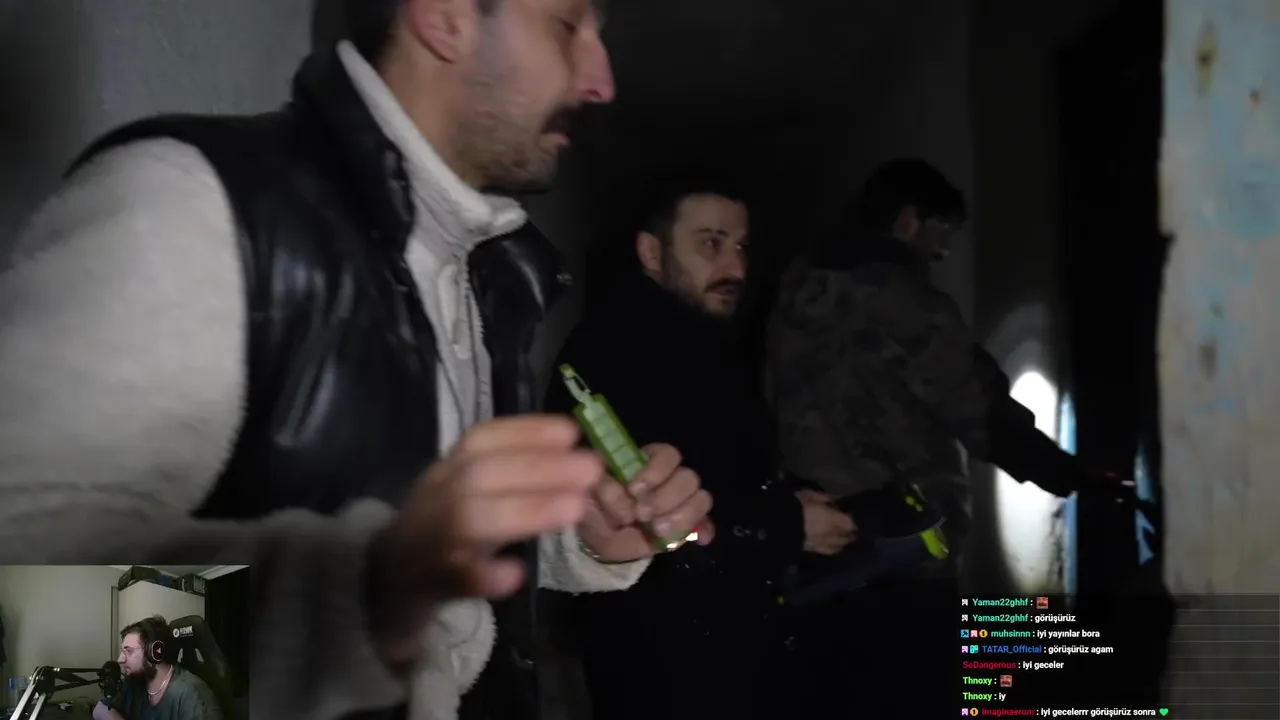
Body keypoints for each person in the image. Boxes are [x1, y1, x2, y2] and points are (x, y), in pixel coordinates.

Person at [0, 1, 715, 720]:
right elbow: (29, 647)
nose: (600, 81)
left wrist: (571, 541)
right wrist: (354, 608)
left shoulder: (485, 269)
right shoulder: (183, 198)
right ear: (445, 17)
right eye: (566, 27)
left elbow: (435, 578)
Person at [767, 158, 1132, 717]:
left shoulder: (796, 288)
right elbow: (973, 402)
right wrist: (1065, 470)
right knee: (917, 688)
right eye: (943, 231)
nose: (942, 250)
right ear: (909, 219)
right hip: (904, 545)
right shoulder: (904, 299)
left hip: (817, 541)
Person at [544, 184, 856, 720]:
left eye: (741, 247)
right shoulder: (612, 353)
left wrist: (789, 497)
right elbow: (638, 527)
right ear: (651, 252)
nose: (735, 267)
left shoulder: (702, 344)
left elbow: (727, 471)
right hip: (662, 662)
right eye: (712, 243)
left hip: (728, 644)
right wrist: (787, 524)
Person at [96, 616, 222, 720]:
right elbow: (100, 709)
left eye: (128, 651)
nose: (120, 659)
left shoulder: (192, 695)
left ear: (154, 652)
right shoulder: (133, 681)